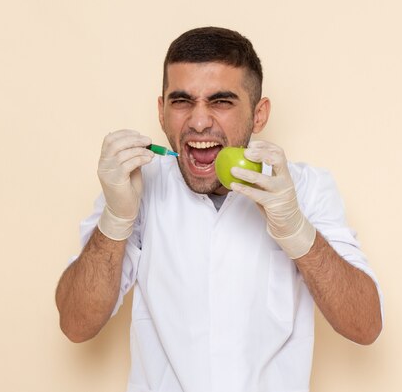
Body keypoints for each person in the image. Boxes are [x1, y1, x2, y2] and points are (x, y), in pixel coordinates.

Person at [56, 26, 383, 392]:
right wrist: (115, 221)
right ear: (161, 111)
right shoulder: (134, 184)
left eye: (221, 101)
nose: (198, 121)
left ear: (259, 115)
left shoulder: (307, 188)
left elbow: (365, 326)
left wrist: (297, 232)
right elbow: (75, 323)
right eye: (182, 101)